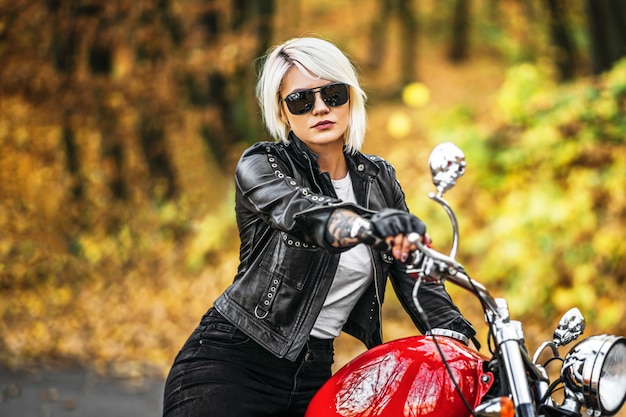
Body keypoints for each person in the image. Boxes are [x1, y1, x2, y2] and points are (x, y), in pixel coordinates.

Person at [162, 36, 476, 417]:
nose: (320, 108)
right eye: (301, 100)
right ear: (282, 111)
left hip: (316, 377)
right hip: (231, 366)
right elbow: (305, 214)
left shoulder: (379, 179)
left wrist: (459, 340)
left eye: (332, 94)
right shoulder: (261, 165)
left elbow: (414, 275)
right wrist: (371, 223)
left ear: (350, 97)